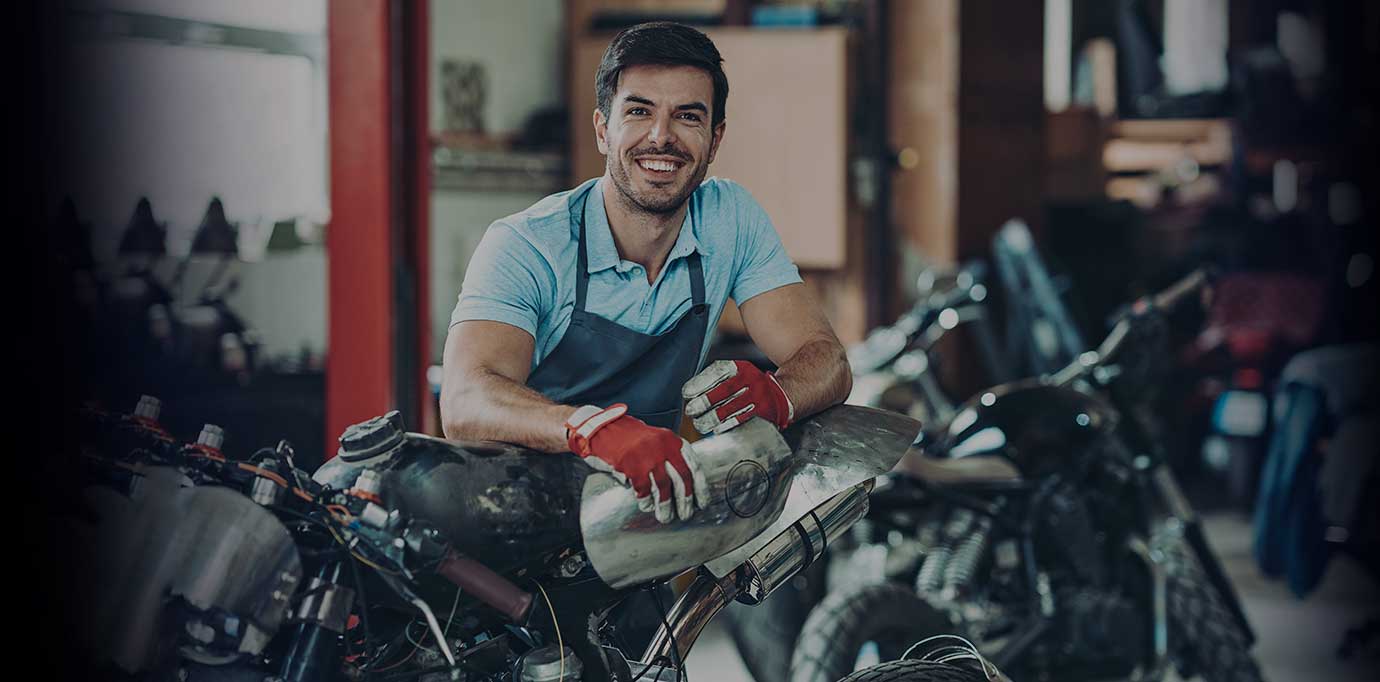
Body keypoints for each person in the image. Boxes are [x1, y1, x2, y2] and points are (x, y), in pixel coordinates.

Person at [440, 21, 851, 525]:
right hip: (516, 523)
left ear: (715, 139)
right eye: (638, 111)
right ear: (602, 130)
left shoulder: (729, 219)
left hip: (639, 525)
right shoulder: (529, 244)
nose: (661, 137)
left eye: (687, 116)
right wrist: (590, 429)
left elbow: (827, 361)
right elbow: (464, 401)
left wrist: (780, 394)